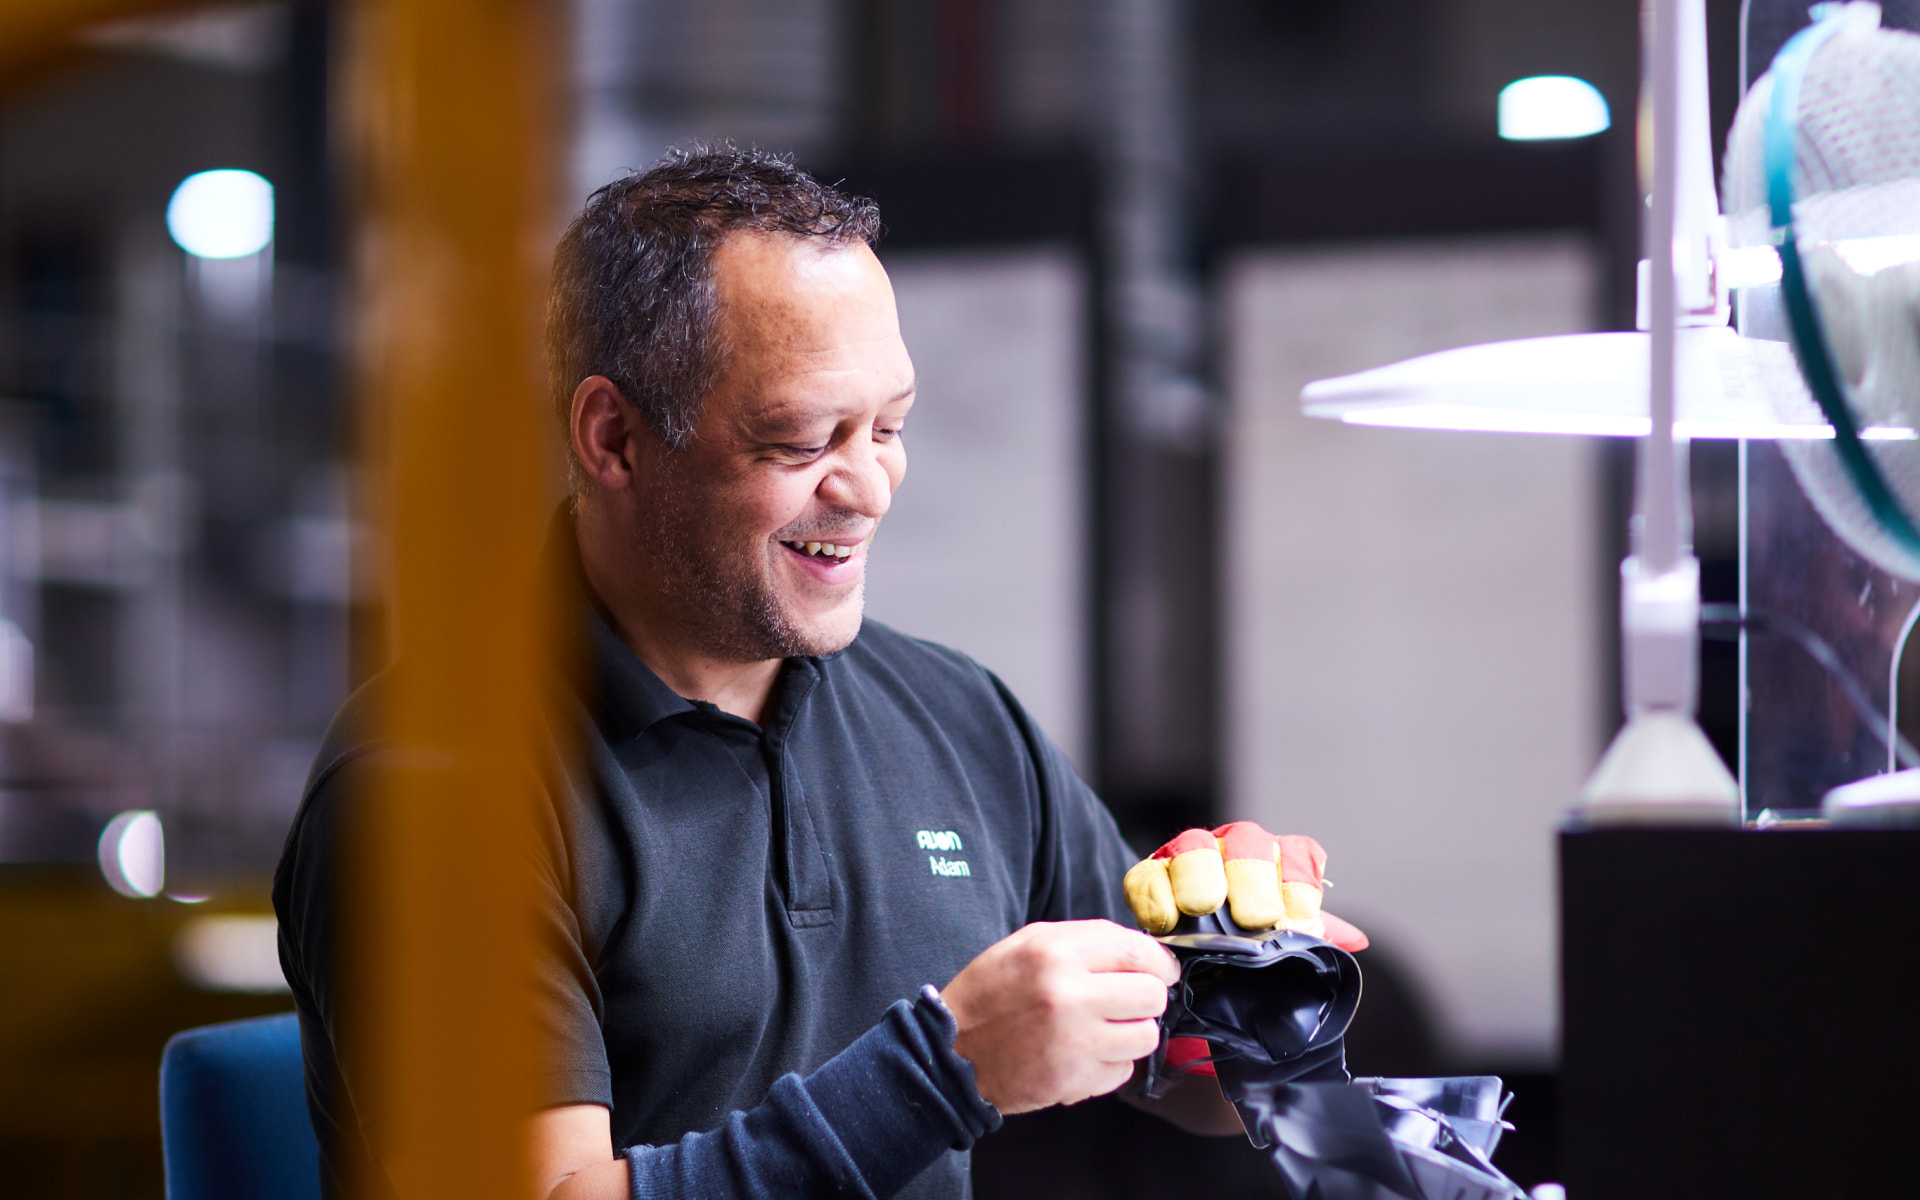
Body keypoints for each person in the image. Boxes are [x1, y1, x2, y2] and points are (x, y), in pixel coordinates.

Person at [275, 145, 1342, 1200]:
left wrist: (1247, 979)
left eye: (888, 427)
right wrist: (944, 1071)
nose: (869, 486)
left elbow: (1181, 1077)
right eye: (800, 441)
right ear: (615, 438)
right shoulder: (431, 787)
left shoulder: (951, 716)